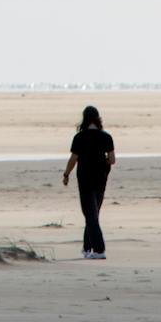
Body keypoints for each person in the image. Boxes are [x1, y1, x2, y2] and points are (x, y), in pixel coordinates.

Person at [62, 105, 116, 260]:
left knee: (90, 215)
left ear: (84, 119)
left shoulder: (79, 137)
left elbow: (73, 159)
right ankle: (87, 248)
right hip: (101, 180)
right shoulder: (106, 137)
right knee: (93, 214)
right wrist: (102, 162)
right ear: (98, 119)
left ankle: (99, 250)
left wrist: (66, 174)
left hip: (85, 180)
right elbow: (112, 160)